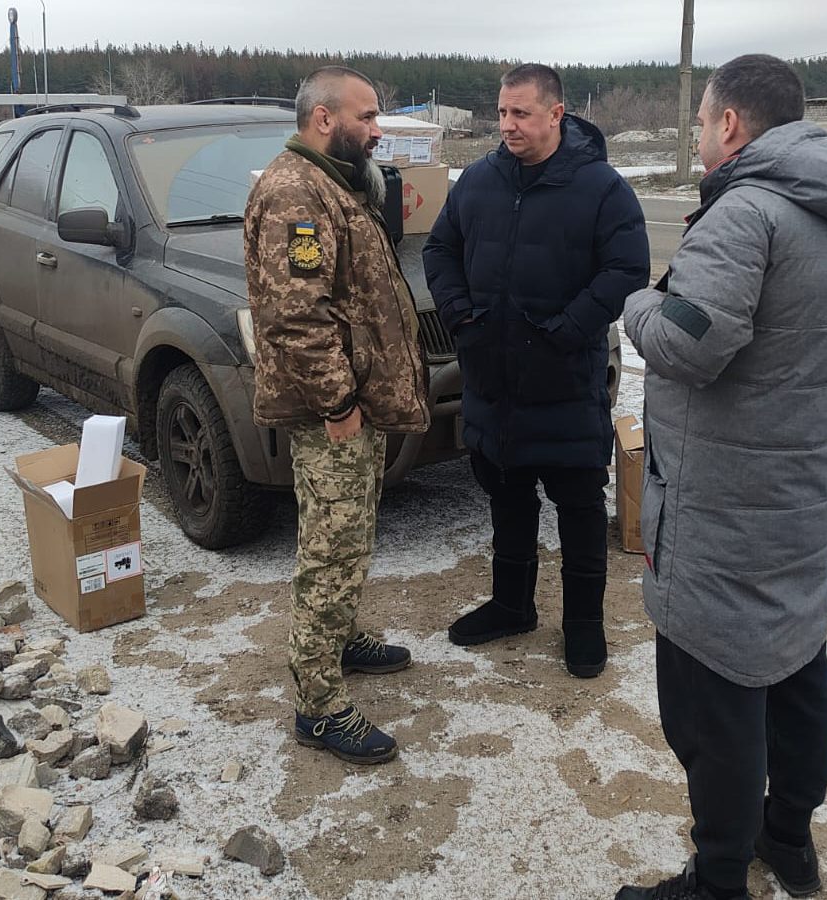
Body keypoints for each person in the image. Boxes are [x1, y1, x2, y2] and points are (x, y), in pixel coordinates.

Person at [614, 55, 827, 900]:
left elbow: (687, 343)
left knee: (715, 704)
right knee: (798, 666)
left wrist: (635, 304)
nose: (700, 136)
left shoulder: (747, 214)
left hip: (722, 505)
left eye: (702, 122)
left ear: (730, 124)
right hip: (802, 492)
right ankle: (790, 842)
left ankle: (720, 878)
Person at [423, 63, 649, 678]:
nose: (507, 125)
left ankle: (584, 628)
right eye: (502, 113)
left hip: (564, 380)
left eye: (520, 113)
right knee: (507, 495)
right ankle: (510, 605)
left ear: (556, 114)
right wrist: (459, 314)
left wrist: (571, 328)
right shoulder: (479, 180)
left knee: (578, 506)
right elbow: (440, 248)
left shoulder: (601, 188)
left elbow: (628, 268)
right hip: (493, 380)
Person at [244, 66, 430, 765]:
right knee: (330, 548)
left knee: (349, 538)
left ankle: (341, 637)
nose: (379, 128)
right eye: (369, 116)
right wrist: (339, 403)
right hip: (332, 414)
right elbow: (296, 316)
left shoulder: (335, 182)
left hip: (353, 407)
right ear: (325, 119)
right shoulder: (295, 191)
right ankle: (318, 706)